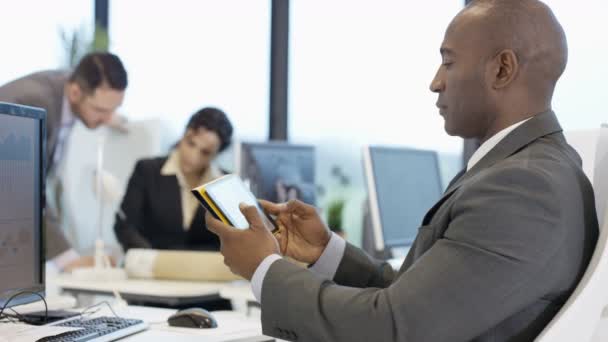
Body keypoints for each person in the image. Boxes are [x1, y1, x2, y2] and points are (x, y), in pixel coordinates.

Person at [204, 0, 599, 341]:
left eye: (448, 62)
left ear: (502, 70)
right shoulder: (527, 169)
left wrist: (263, 268)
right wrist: (326, 252)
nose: (435, 82)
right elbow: (422, 304)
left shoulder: (522, 188)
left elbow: (394, 328)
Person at [0, 52, 128, 272]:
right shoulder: (32, 102)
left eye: (114, 110)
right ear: (76, 92)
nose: (108, 119)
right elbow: (24, 186)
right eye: (101, 111)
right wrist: (66, 258)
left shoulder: (70, 87)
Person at [114, 107, 232, 252]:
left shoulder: (225, 184)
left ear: (216, 155)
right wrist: (149, 257)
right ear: (183, 135)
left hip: (205, 270)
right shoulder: (147, 171)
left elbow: (232, 238)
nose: (193, 156)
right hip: (151, 267)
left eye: (205, 152)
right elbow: (125, 226)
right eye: (190, 143)